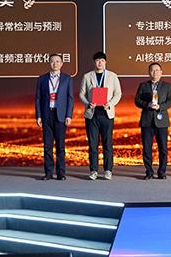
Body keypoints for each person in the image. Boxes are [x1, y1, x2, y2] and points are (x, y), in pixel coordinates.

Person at [80, 51, 122, 181]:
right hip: (92, 114)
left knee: (107, 143)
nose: (100, 63)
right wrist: (88, 103)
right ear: (94, 62)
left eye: (102, 60)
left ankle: (108, 170)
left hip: (106, 113)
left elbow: (118, 93)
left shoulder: (112, 76)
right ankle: (93, 170)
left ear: (105, 62)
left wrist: (110, 104)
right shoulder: (87, 76)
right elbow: (81, 93)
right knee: (93, 144)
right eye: (98, 60)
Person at [35, 53, 74, 180]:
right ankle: (48, 173)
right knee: (47, 146)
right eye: (52, 61)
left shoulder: (67, 79)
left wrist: (69, 115)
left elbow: (70, 98)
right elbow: (38, 98)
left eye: (57, 61)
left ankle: (61, 173)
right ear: (49, 63)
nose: (55, 63)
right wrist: (38, 116)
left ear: (61, 64)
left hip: (60, 115)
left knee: (60, 146)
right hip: (47, 114)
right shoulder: (42, 79)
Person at [134, 62, 171, 180]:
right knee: (147, 148)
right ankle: (149, 172)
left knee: (163, 148)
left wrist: (160, 107)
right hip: (147, 120)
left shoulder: (167, 86)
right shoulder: (143, 85)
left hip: (162, 121)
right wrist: (147, 104)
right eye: (152, 70)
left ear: (161, 72)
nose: (155, 72)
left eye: (157, 70)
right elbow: (137, 100)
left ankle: (162, 172)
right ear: (149, 72)